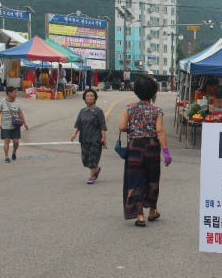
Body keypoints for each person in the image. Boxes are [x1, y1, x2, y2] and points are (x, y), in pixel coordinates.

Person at [119, 76, 172, 227]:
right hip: (152, 146)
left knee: (135, 179)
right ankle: (153, 211)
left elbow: (122, 126)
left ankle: (140, 215)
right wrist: (166, 151)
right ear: (154, 92)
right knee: (153, 178)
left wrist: (134, 131)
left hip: (135, 145)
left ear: (136, 91)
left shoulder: (129, 108)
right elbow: (160, 131)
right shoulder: (157, 110)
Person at [71, 88, 107, 184]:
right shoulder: (82, 111)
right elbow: (77, 124)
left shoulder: (98, 111)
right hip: (84, 138)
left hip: (95, 138)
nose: (90, 97)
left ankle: (91, 177)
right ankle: (96, 169)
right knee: (85, 159)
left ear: (95, 98)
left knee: (93, 157)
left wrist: (103, 137)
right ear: (85, 98)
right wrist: (74, 134)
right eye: (88, 96)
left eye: (92, 96)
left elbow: (102, 125)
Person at [0, 86, 29, 163]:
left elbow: (20, 113)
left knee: (16, 142)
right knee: (6, 140)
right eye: (14, 92)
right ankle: (6, 156)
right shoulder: (2, 102)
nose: (16, 94)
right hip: (5, 125)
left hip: (15, 125)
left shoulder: (17, 102)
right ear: (9, 93)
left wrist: (25, 123)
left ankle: (14, 152)